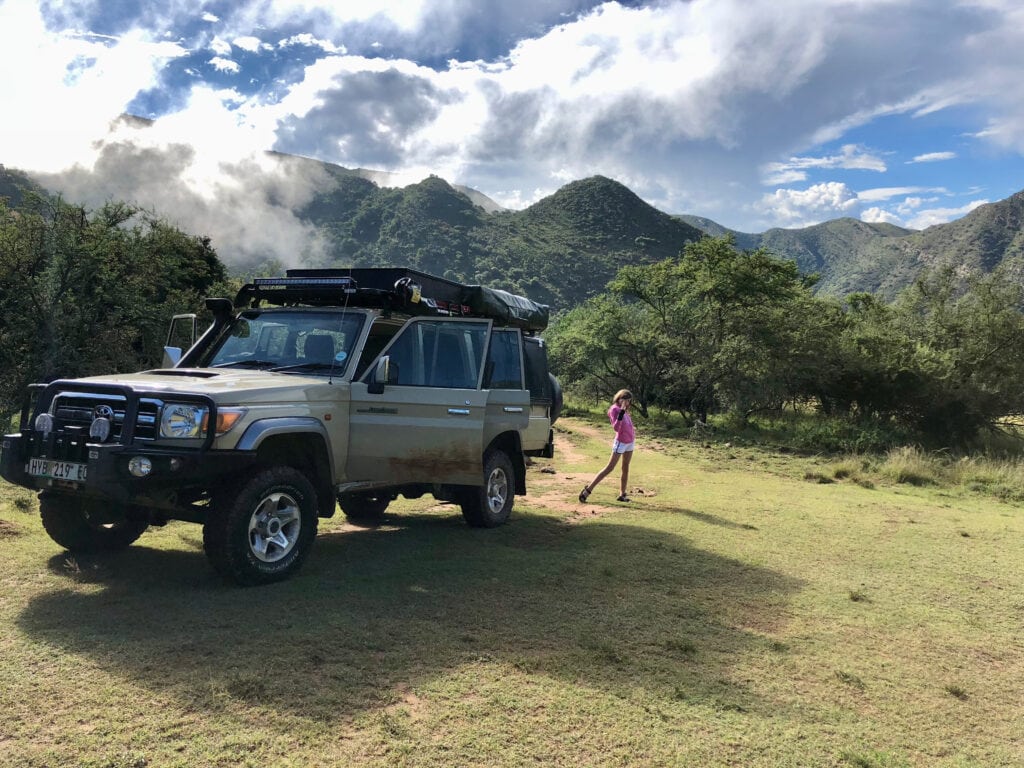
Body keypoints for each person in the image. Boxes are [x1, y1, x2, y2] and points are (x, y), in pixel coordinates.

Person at [579, 389, 635, 503]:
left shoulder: (625, 410)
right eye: (625, 400)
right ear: (619, 399)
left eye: (629, 401)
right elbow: (616, 427)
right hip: (621, 442)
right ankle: (587, 491)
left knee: (625, 468)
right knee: (609, 468)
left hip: (630, 442)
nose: (627, 403)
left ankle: (622, 494)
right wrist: (622, 411)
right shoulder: (614, 409)